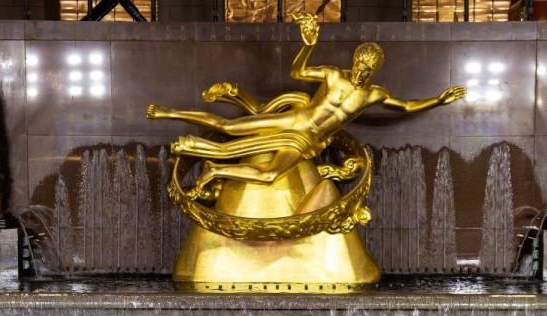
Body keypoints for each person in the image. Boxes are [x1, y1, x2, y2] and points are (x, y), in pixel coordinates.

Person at [147, 12, 465, 199]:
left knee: (271, 175)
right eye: (359, 64)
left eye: (367, 69)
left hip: (307, 141)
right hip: (295, 121)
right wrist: (307, 46)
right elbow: (297, 72)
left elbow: (406, 106)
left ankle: (217, 168)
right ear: (355, 60)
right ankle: (167, 112)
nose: (361, 71)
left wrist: (438, 99)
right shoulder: (333, 75)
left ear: (374, 70)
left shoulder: (373, 95)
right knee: (229, 127)